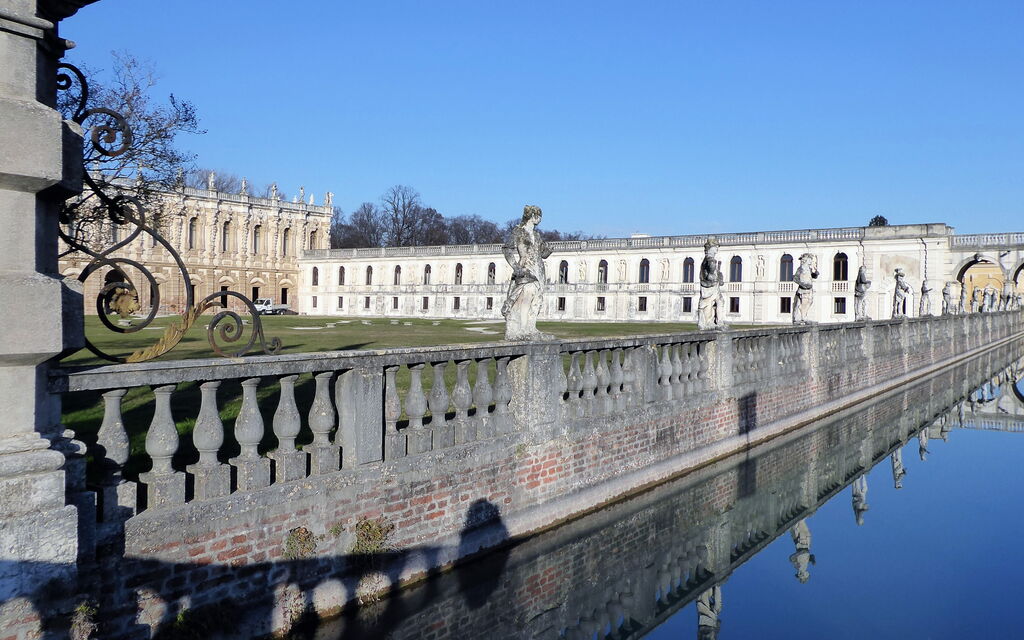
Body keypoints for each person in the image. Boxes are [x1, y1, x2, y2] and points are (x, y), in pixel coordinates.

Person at [501, 205, 554, 341]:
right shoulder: (518, 231)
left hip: (539, 269)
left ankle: (531, 328)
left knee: (537, 299)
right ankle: (522, 329)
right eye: (538, 215)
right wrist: (516, 267)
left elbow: (543, 254)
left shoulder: (537, 235)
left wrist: (549, 251)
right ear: (531, 216)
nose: (540, 218)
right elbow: (507, 249)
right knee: (526, 297)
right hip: (526, 268)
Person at [697, 238, 726, 330]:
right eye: (715, 247)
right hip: (708, 289)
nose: (717, 249)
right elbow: (709, 277)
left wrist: (718, 275)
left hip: (712, 288)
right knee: (710, 304)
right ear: (711, 248)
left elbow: (712, 276)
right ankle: (713, 322)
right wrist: (716, 276)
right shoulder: (709, 261)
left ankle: (718, 322)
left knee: (719, 301)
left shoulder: (709, 260)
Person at [792, 253, 818, 324]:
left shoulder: (809, 269)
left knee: (810, 301)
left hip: (809, 288)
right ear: (806, 260)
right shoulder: (801, 268)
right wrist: (803, 285)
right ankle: (803, 317)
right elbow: (795, 278)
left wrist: (815, 271)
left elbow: (815, 276)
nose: (811, 261)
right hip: (803, 289)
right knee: (805, 302)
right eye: (810, 260)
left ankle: (802, 312)